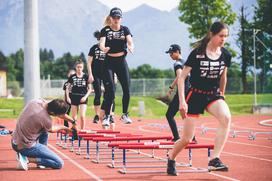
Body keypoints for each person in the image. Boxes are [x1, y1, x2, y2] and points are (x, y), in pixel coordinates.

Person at [167, 22, 232, 175]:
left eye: (226, 37)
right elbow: (182, 77)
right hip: (194, 95)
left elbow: (224, 76)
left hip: (212, 94)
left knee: (226, 118)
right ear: (212, 34)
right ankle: (171, 157)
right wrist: (182, 101)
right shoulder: (197, 53)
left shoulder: (226, 55)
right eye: (221, 36)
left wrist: (221, 94)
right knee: (187, 139)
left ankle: (214, 159)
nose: (223, 39)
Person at [11, 99, 77, 170]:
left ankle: (40, 159)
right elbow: (52, 129)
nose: (62, 116)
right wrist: (64, 127)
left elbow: (60, 115)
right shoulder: (46, 119)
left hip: (15, 141)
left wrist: (73, 121)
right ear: (52, 112)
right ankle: (27, 159)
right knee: (59, 163)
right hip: (26, 147)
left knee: (44, 131)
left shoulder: (36, 101)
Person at [99, 7, 134, 126]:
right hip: (108, 62)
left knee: (127, 90)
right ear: (110, 18)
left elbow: (130, 41)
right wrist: (104, 48)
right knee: (111, 92)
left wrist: (131, 46)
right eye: (114, 17)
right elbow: (101, 43)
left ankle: (125, 114)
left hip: (121, 62)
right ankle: (107, 117)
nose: (116, 19)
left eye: (118, 17)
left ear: (121, 18)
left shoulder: (125, 29)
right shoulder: (105, 30)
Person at [165, 44, 197, 143]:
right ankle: (193, 138)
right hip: (189, 90)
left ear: (178, 52)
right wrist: (171, 87)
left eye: (172, 53)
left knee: (169, 114)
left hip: (182, 92)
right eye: (169, 53)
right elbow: (181, 76)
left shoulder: (177, 63)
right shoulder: (186, 62)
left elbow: (180, 77)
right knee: (185, 114)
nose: (170, 55)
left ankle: (176, 137)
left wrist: (178, 94)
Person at [87, 30, 116, 127]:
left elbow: (114, 62)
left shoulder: (108, 48)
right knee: (98, 93)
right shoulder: (94, 48)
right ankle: (96, 114)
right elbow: (89, 62)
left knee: (110, 94)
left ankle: (110, 114)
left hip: (107, 73)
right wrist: (90, 74)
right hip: (96, 74)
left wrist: (114, 75)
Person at [66, 60, 92, 130]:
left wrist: (85, 97)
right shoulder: (72, 77)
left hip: (83, 97)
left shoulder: (86, 77)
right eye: (78, 67)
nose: (79, 68)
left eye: (80, 67)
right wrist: (68, 97)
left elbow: (90, 89)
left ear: (83, 67)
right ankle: (75, 131)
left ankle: (82, 131)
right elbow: (67, 88)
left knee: (82, 116)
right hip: (74, 97)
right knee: (74, 118)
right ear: (75, 67)